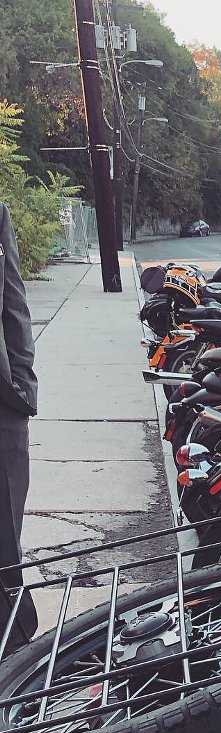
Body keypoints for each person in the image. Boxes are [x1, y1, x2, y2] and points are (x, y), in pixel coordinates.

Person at [0, 201, 38, 643]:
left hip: (3, 406)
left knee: (5, 540)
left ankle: (15, 648)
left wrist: (22, 386)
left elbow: (14, 304)